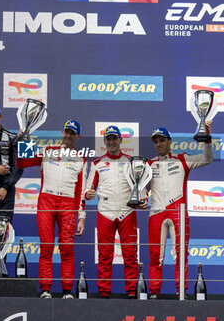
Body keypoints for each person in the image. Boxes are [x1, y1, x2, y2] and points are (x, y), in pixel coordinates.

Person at [16, 119, 87, 299]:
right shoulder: (48, 151)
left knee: (67, 248)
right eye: (66, 132)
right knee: (46, 246)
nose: (69, 136)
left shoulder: (82, 160)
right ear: (62, 133)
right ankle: (46, 289)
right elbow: (22, 162)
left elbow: (81, 191)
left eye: (73, 133)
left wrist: (82, 217)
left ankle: (66, 291)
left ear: (78, 136)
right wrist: (24, 140)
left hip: (69, 204)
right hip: (46, 201)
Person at [148, 122, 213, 299]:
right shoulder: (148, 164)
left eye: (162, 140)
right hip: (156, 213)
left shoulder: (182, 159)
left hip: (178, 213)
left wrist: (207, 137)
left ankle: (181, 293)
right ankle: (154, 293)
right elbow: (140, 189)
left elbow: (206, 159)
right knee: (155, 256)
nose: (159, 144)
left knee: (180, 256)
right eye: (156, 141)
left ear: (170, 141)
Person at [85, 125, 147, 298]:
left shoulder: (131, 161)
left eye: (114, 138)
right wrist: (88, 194)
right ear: (104, 141)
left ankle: (132, 292)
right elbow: (87, 190)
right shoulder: (97, 163)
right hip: (105, 212)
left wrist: (143, 199)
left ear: (121, 140)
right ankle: (104, 293)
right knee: (104, 254)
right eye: (108, 138)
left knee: (130, 254)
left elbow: (140, 186)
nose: (111, 142)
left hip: (127, 211)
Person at [0, 103, 23, 223]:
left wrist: (27, 140)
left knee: (3, 231)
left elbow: (21, 165)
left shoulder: (12, 137)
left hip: (6, 190)